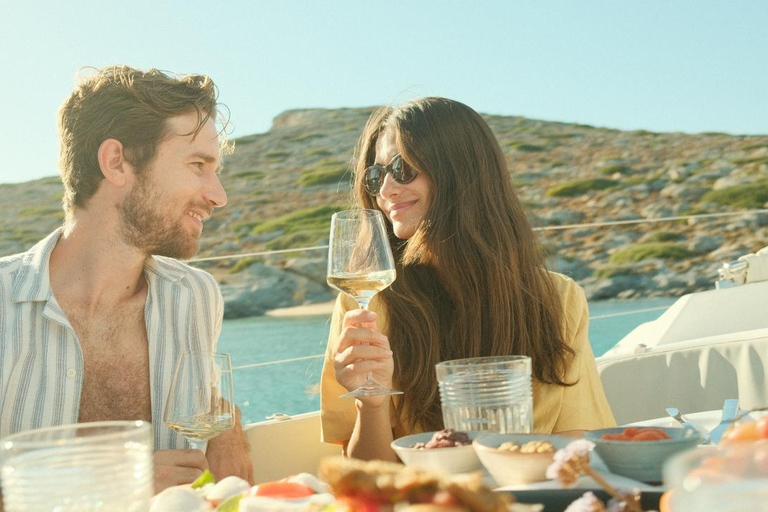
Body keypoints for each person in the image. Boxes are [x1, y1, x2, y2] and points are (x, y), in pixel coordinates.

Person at [320, 97, 616, 461]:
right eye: (377, 175)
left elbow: (575, 444)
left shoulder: (557, 297)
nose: (385, 191)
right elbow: (367, 477)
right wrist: (372, 404)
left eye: (403, 168)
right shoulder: (368, 304)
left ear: (461, 171)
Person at [0, 65, 253, 491]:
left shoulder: (196, 296)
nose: (218, 196)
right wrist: (113, 484)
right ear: (116, 162)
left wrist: (230, 426)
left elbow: (203, 398)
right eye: (197, 165)